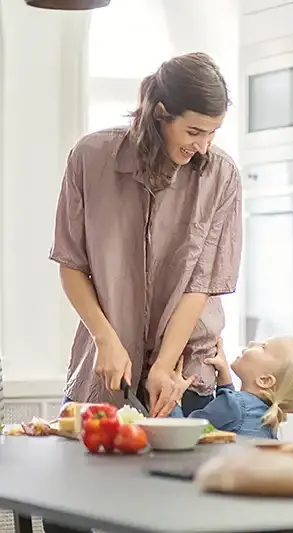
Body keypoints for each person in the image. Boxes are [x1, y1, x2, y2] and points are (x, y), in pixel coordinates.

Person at [49, 52, 242, 424]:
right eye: (193, 132)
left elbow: (199, 284)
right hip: (104, 372)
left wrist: (164, 366)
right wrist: (105, 339)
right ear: (160, 114)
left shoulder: (221, 176)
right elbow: (71, 265)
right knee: (89, 478)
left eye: (212, 133)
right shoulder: (90, 158)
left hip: (183, 379)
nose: (202, 146)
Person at [171, 337, 293, 438]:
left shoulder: (234, 406)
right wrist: (225, 378)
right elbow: (234, 416)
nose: (252, 342)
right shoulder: (264, 416)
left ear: (265, 380)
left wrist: (173, 399)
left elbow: (183, 434)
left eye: (263, 347)